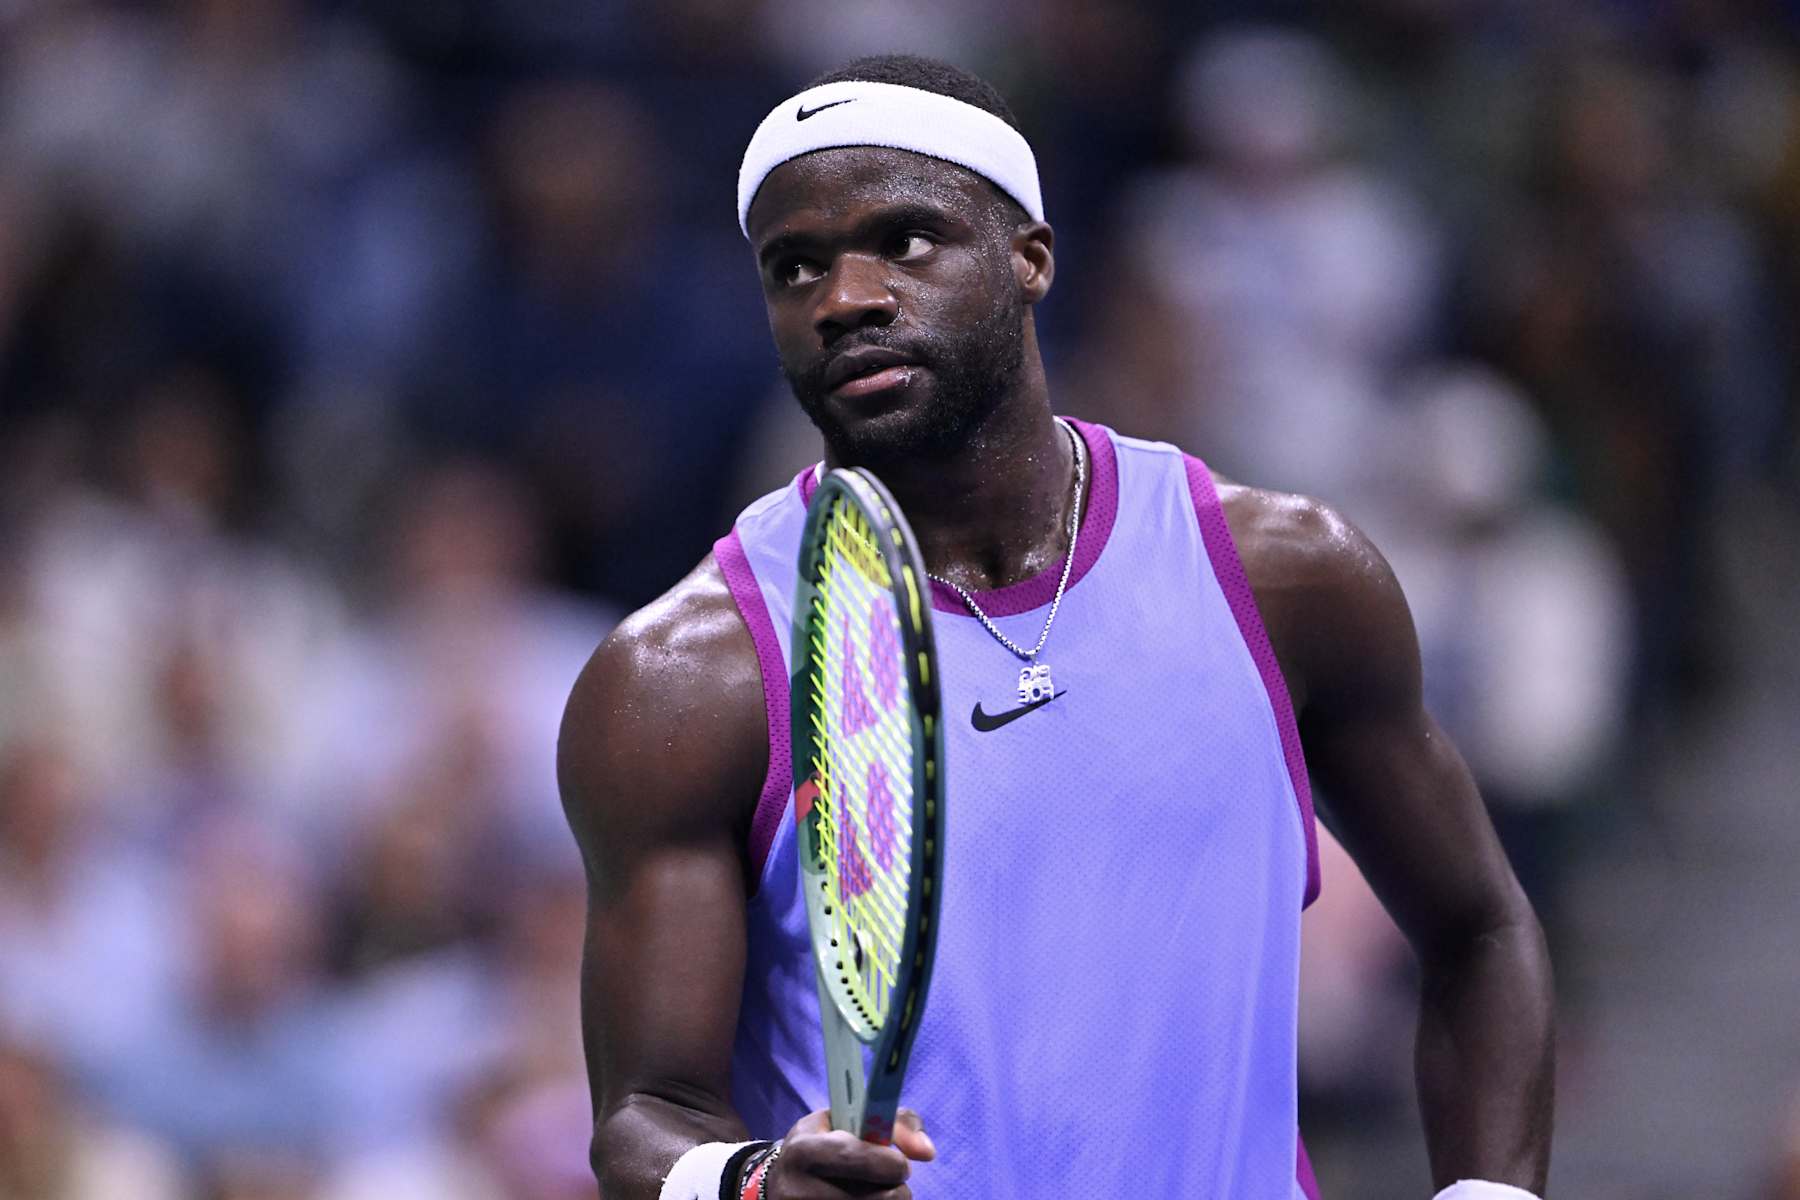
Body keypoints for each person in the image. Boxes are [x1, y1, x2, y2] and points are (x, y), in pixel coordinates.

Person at [558, 54, 1554, 1200]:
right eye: (796, 268)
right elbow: (644, 1116)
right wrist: (747, 1183)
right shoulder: (688, 679)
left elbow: (1480, 931)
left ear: (1030, 257)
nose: (846, 299)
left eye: (905, 241)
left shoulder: (1287, 580)